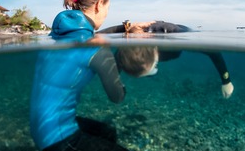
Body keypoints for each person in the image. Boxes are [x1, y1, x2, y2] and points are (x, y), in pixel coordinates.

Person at [30, 0, 148, 151]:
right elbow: (117, 97)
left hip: (39, 127)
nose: (107, 13)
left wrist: (123, 29)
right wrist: (122, 62)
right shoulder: (97, 49)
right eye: (108, 7)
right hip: (57, 139)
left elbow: (92, 37)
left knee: (107, 133)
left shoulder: (58, 32)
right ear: (99, 5)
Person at [99, 20, 234, 99]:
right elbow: (116, 70)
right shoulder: (125, 54)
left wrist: (226, 81)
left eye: (154, 66)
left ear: (155, 52)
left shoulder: (179, 37)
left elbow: (214, 51)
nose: (155, 69)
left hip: (179, 33)